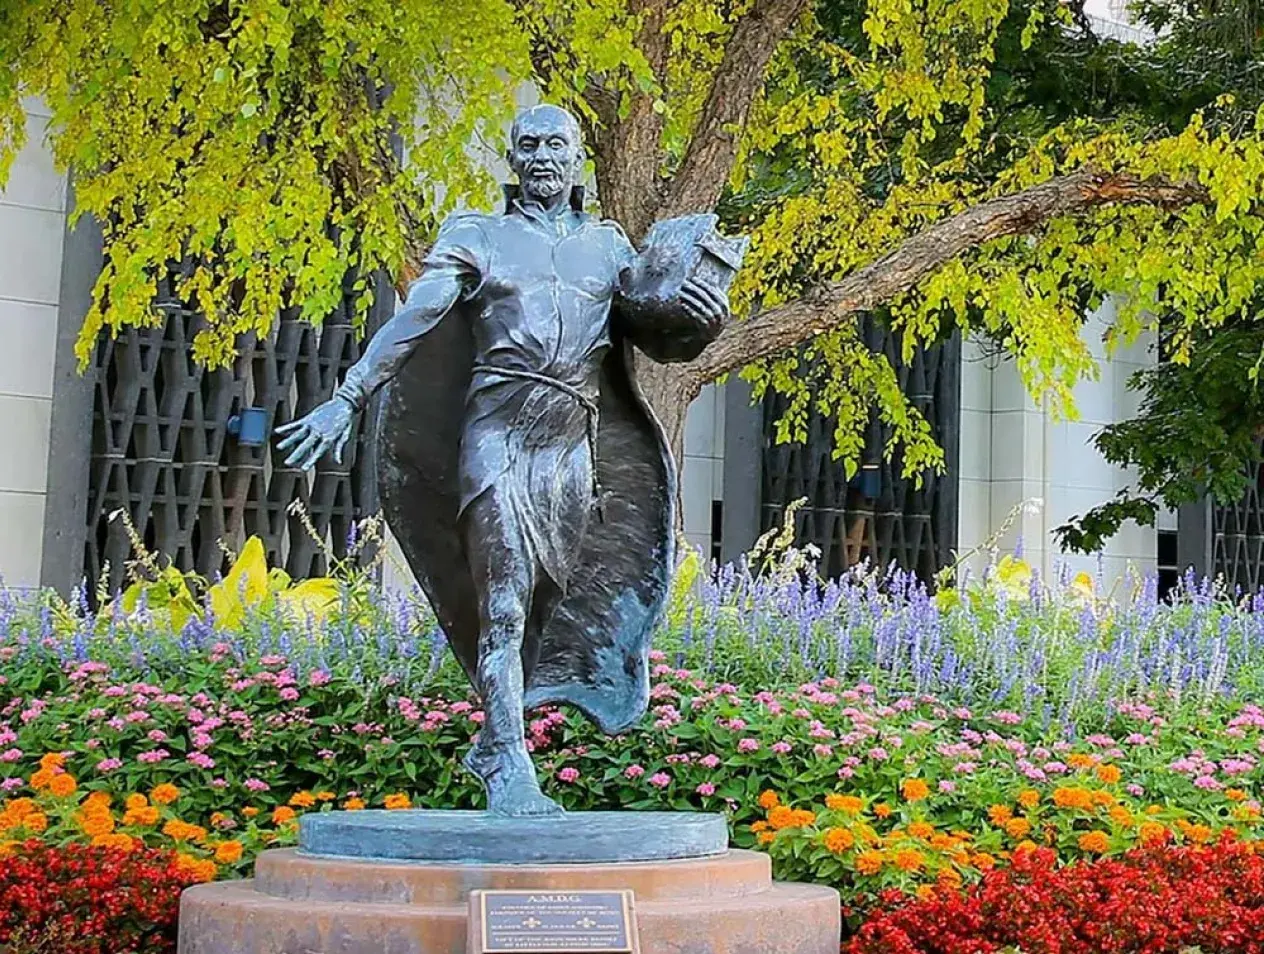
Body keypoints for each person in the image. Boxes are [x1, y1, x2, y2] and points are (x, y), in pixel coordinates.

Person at [277, 104, 730, 816]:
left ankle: (499, 733)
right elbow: (416, 317)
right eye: (529, 145)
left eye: (556, 144)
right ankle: (509, 758)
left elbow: (663, 339)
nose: (543, 156)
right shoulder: (477, 235)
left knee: (550, 603)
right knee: (506, 601)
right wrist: (349, 396)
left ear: (578, 158)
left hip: (569, 446)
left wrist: (702, 317)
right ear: (513, 160)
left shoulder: (610, 247)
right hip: (497, 432)